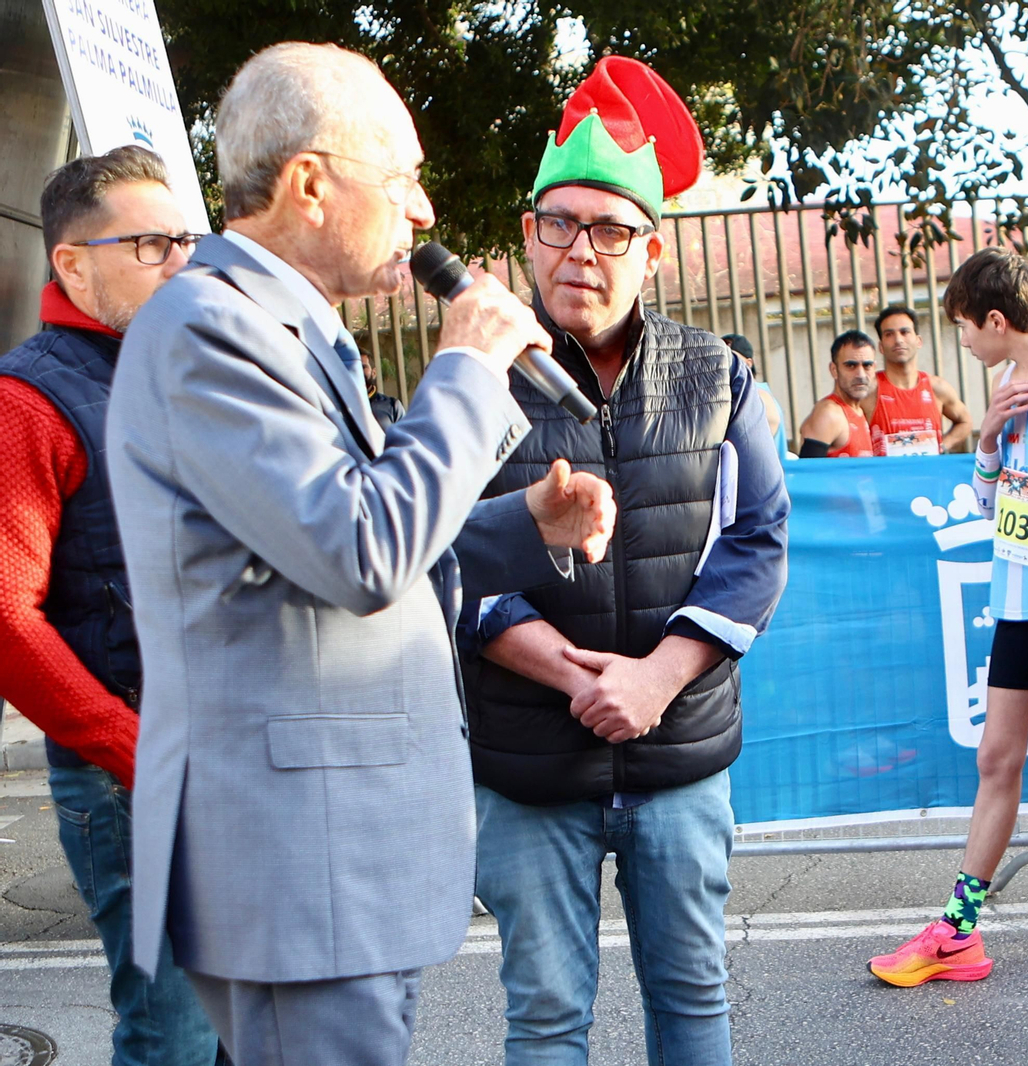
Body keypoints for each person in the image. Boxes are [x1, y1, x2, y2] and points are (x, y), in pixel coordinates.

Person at [105, 43, 615, 1066]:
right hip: (299, 859)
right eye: (403, 179)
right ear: (308, 183)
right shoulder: (211, 328)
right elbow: (359, 550)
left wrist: (525, 523)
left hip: (330, 855)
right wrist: (468, 368)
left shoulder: (291, 329)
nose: (424, 213)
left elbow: (338, 535)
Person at [463, 56, 789, 1066]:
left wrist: (657, 677)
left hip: (679, 753)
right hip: (527, 763)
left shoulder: (719, 378)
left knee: (693, 998)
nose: (580, 251)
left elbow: (756, 543)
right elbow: (439, 555)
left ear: (653, 250)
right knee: (547, 1014)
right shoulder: (468, 382)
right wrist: (569, 674)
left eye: (609, 230)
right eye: (557, 223)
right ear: (528, 237)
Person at [0, 147, 220, 1066]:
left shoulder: (191, 368)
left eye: (186, 239)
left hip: (235, 757)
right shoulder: (28, 399)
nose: (181, 261)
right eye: (151, 243)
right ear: (71, 264)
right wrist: (136, 750)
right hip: (133, 777)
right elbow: (8, 620)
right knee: (173, 1035)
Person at [867, 247, 1028, 992]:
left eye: (966, 331)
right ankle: (958, 931)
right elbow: (989, 506)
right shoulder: (1006, 387)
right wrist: (983, 442)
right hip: (1017, 600)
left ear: (996, 320)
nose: (966, 347)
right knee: (995, 759)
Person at [865, 303, 971, 454]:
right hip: (885, 477)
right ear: (881, 347)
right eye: (889, 334)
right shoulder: (869, 390)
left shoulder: (937, 387)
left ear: (918, 341)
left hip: (930, 476)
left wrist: (943, 446)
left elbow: (965, 422)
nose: (898, 340)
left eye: (905, 332)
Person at [797, 330, 877, 456]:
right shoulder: (829, 414)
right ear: (834, 370)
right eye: (851, 366)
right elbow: (808, 473)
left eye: (867, 366)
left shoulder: (858, 410)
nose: (860, 375)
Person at [723, 332, 788, 455]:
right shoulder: (748, 393)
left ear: (748, 363)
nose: (726, 365)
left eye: (732, 359)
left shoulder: (756, 397)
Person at [360, 346, 406, 429]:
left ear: (374, 373)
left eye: (363, 367)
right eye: (352, 367)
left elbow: (406, 439)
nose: (357, 370)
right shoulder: (337, 405)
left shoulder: (392, 406)